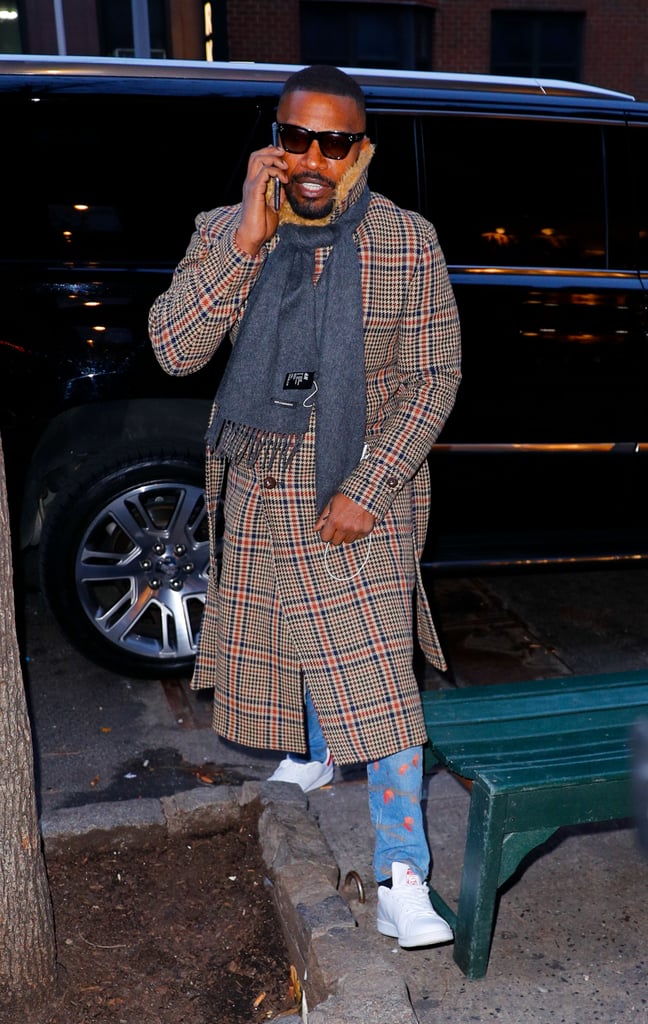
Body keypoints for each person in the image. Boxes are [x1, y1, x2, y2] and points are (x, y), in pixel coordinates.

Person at [149, 64, 461, 949]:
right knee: (294, 639)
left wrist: (368, 489)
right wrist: (245, 240)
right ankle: (317, 751)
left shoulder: (408, 242)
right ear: (273, 140)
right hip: (259, 480)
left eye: (335, 141)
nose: (314, 158)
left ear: (360, 150)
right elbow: (173, 349)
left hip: (363, 489)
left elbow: (435, 378)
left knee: (381, 686)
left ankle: (406, 875)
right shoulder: (225, 230)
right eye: (297, 138)